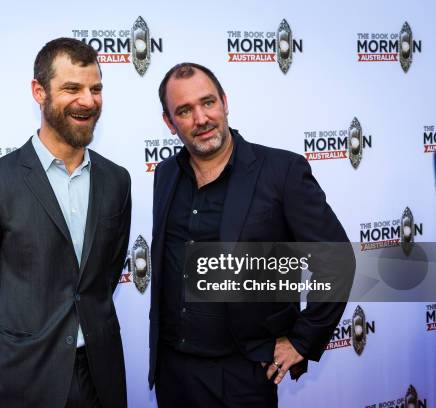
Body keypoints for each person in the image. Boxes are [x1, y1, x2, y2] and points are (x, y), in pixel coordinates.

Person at [148, 62, 354, 407]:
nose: (201, 119)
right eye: (184, 110)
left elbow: (337, 260)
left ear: (225, 103)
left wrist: (302, 340)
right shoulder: (166, 174)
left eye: (208, 102)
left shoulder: (281, 171)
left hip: (242, 374)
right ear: (169, 122)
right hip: (173, 371)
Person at [0, 37, 131, 408]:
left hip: (102, 375)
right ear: (39, 92)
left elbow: (104, 275)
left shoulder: (117, 181)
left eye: (96, 88)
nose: (88, 100)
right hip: (25, 379)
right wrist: (19, 346)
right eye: (72, 88)